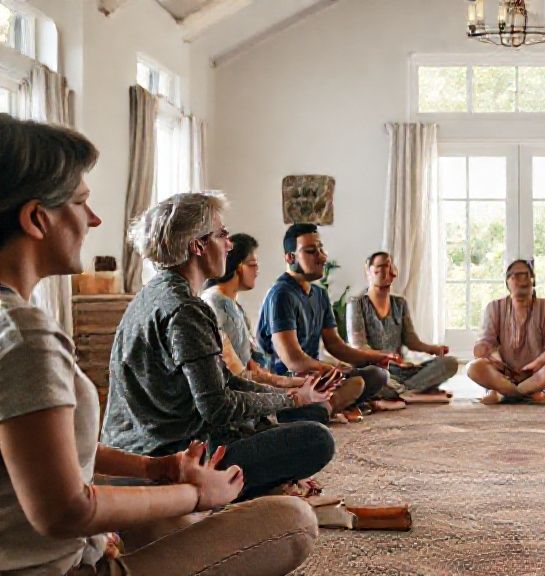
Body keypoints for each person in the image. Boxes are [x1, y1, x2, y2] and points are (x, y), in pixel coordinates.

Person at [0, 114, 316, 576]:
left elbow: (47, 448)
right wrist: (197, 492)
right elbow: (63, 511)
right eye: (82, 202)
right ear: (35, 218)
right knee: (293, 522)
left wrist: (157, 471)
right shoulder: (27, 337)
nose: (95, 219)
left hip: (82, 524)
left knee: (178, 518)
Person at [102, 193, 337, 502]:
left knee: (305, 413)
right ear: (197, 245)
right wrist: (291, 398)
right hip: (165, 460)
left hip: (137, 447)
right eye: (222, 234)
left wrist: (295, 398)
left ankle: (267, 483)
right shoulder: (185, 310)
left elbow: (223, 381)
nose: (229, 243)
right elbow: (219, 407)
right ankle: (246, 489)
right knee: (316, 440)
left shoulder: (154, 293)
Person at [202, 233, 363, 412]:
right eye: (254, 265)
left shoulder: (232, 305)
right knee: (319, 426)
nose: (258, 271)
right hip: (243, 400)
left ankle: (323, 405)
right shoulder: (218, 304)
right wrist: (294, 391)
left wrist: (298, 383)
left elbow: (255, 370)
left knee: (358, 380)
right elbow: (240, 379)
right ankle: (323, 407)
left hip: (262, 385)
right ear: (239, 266)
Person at [256, 223, 397, 414]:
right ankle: (322, 409)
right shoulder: (281, 294)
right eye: (311, 251)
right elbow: (293, 361)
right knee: (355, 383)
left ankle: (332, 404)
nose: (322, 257)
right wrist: (331, 368)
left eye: (321, 249)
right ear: (290, 257)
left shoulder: (319, 294)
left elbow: (336, 346)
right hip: (289, 382)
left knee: (377, 374)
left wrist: (375, 357)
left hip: (316, 376)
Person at [347, 251, 458, 402]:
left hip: (402, 370)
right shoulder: (357, 303)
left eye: (388, 266)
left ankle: (405, 393)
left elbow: (411, 340)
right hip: (379, 370)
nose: (385, 272)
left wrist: (433, 349)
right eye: (380, 267)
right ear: (369, 271)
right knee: (372, 379)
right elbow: (359, 346)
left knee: (449, 363)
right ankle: (417, 393)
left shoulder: (400, 303)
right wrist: (387, 358)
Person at [467, 259, 545, 404]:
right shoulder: (494, 307)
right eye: (516, 276)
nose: (522, 280)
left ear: (533, 281)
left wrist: (538, 363)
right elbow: (483, 345)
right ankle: (526, 393)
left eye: (526, 275)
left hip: (534, 374)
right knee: (474, 368)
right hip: (502, 375)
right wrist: (493, 359)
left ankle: (506, 393)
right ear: (507, 282)